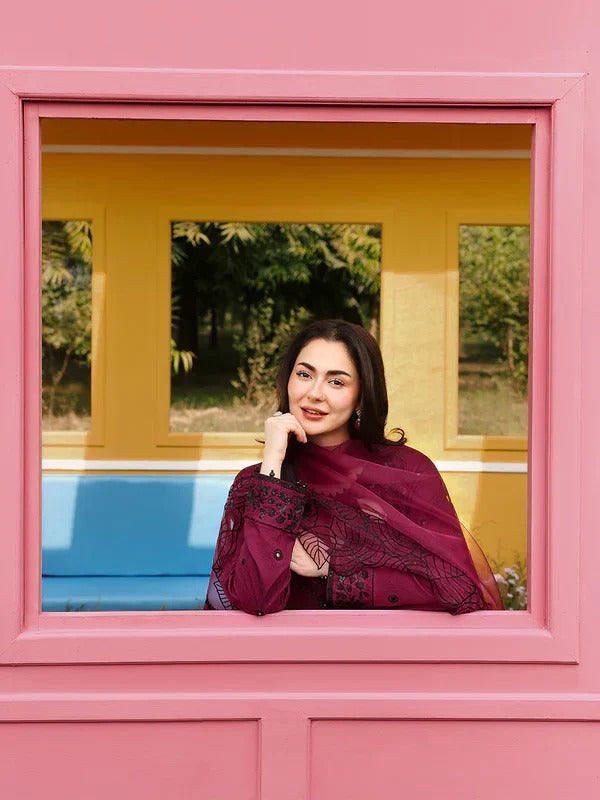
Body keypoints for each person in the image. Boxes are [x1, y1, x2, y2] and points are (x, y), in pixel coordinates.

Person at [205, 319, 503, 615]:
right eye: (304, 374)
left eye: (336, 381)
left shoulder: (406, 473)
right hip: (289, 658)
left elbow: (458, 590)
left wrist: (332, 571)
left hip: (381, 657)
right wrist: (272, 462)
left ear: (361, 394)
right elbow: (253, 601)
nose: (315, 393)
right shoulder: (255, 483)